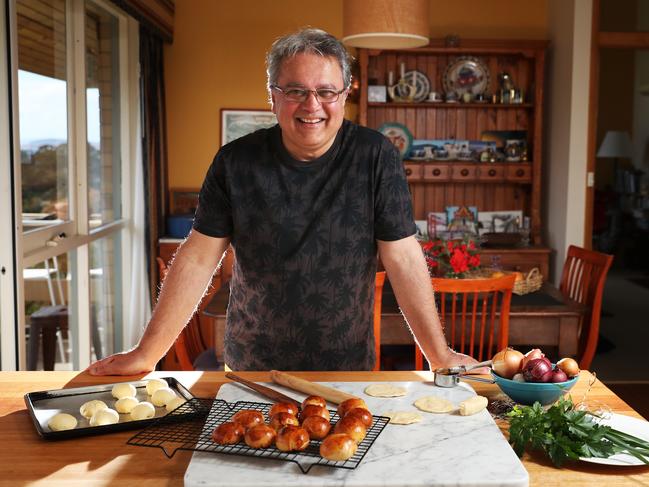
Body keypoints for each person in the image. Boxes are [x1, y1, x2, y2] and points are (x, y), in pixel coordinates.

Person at [88, 28, 478, 375]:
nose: (312, 106)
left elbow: (403, 256)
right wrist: (147, 353)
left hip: (345, 369)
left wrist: (438, 355)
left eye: (326, 92)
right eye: (295, 91)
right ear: (272, 97)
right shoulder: (235, 161)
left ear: (344, 95)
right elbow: (197, 257)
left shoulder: (375, 155)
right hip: (253, 366)